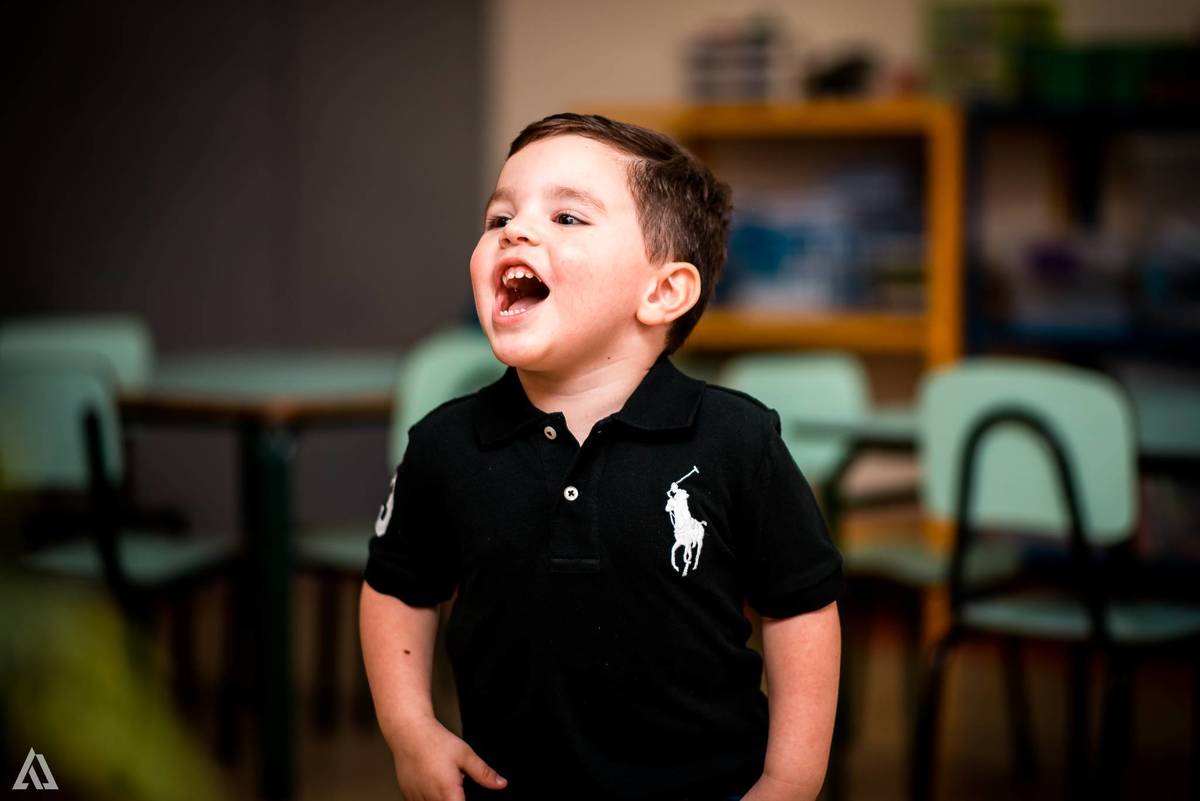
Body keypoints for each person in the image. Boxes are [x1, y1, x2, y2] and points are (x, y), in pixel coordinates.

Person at [360, 113, 842, 801]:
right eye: (500, 218)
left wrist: (790, 779)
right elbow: (397, 588)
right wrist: (410, 728)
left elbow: (800, 607)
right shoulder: (446, 444)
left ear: (663, 292)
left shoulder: (737, 440)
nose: (516, 232)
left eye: (566, 217)